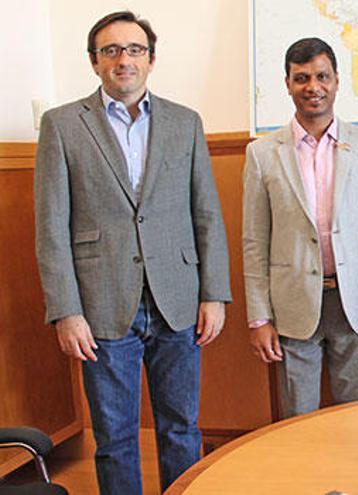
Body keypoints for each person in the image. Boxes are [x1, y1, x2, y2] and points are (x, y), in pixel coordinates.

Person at [33, 11, 231, 493]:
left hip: (178, 301)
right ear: (95, 62)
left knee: (181, 429)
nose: (124, 60)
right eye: (111, 51)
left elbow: (205, 212)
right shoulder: (62, 126)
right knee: (115, 438)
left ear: (152, 59)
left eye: (135, 50)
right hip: (100, 307)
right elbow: (51, 227)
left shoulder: (185, 122)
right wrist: (66, 311)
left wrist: (214, 295)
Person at [243, 38, 358, 418]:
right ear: (287, 83)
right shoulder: (262, 154)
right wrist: (259, 318)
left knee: (355, 417)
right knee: (296, 422)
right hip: (292, 306)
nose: (312, 87)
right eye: (301, 78)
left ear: (336, 81)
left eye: (321, 76)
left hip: (357, 303)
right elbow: (254, 242)